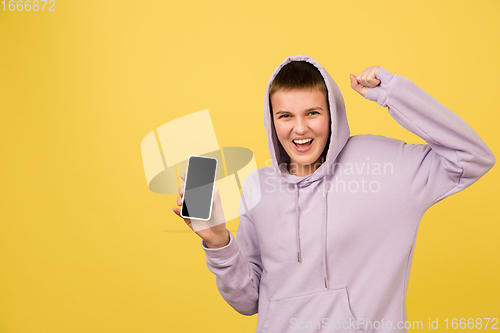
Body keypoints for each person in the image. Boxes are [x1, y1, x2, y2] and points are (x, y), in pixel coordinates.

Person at [172, 54, 495, 332]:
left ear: (333, 113)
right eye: (286, 116)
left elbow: (472, 157)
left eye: (312, 113)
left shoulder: (386, 164)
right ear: (272, 121)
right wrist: (219, 244)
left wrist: (394, 94)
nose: (300, 129)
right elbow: (248, 301)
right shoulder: (259, 186)